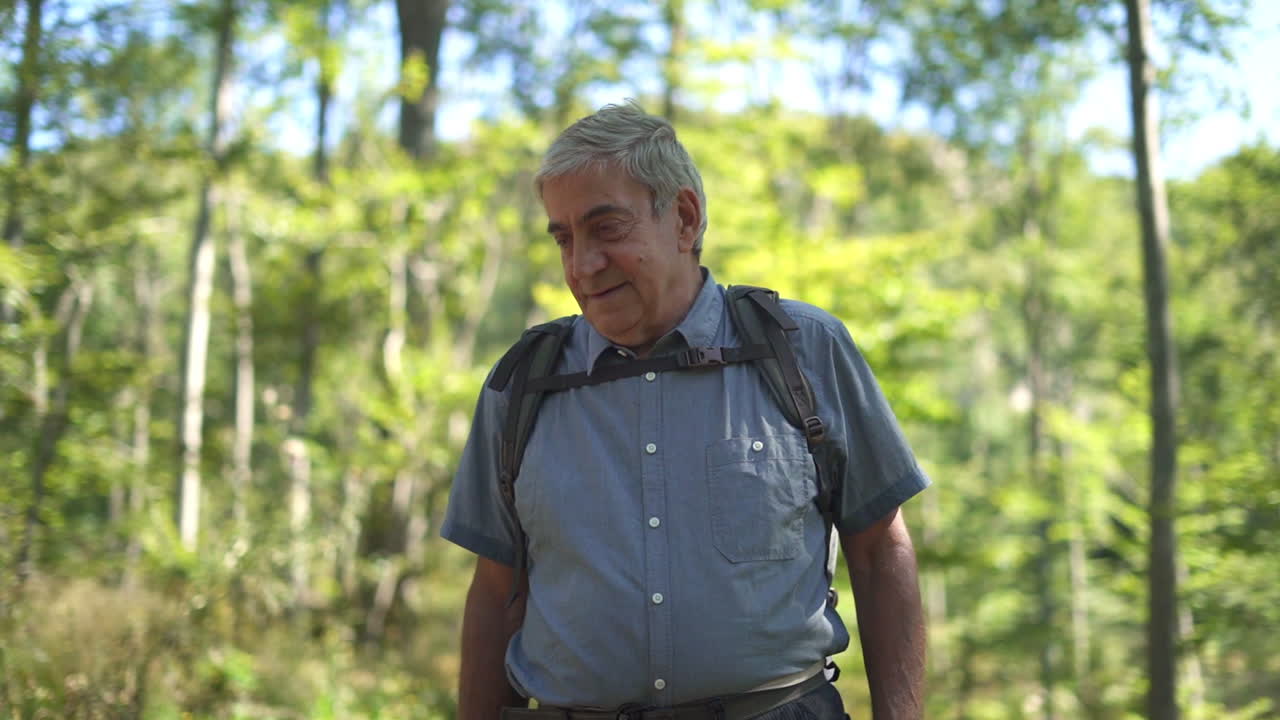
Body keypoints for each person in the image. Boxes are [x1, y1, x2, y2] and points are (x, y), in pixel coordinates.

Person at [442, 102, 929, 720]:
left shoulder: (802, 351)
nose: (581, 265)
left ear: (684, 217)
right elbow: (495, 592)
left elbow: (880, 551)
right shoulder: (524, 384)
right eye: (564, 237)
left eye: (606, 229)